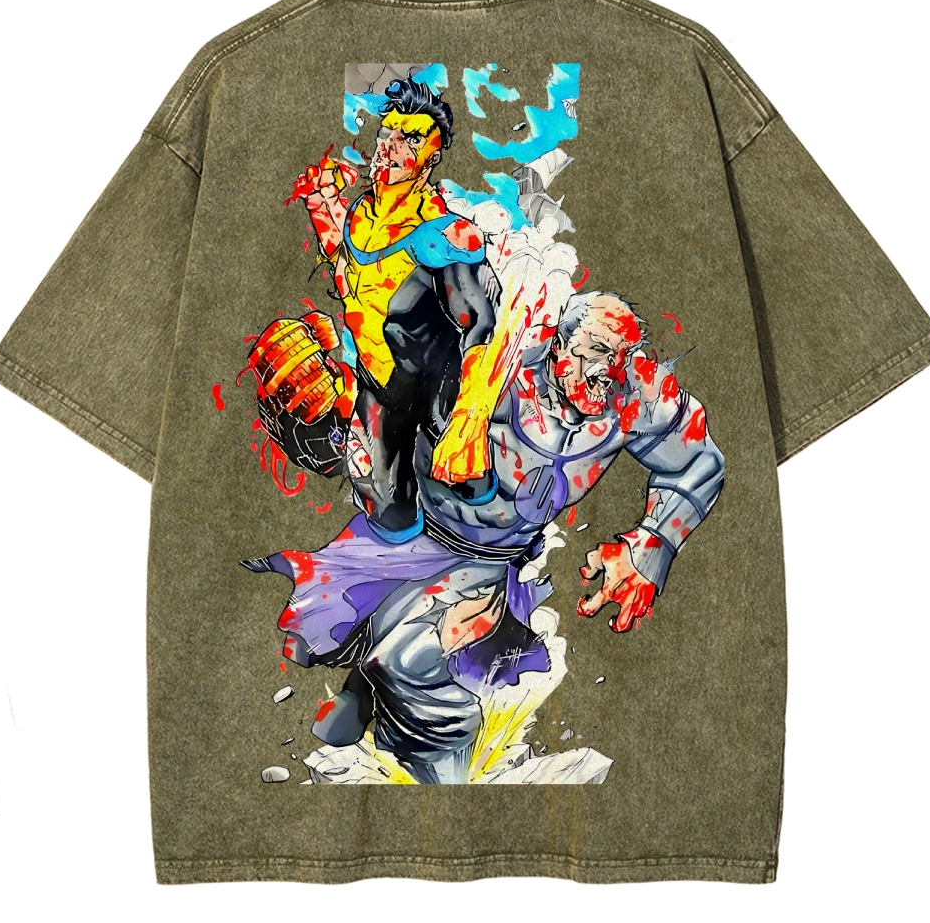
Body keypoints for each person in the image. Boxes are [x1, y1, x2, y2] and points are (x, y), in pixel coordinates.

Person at [242, 291, 725, 784]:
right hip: (414, 520)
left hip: (489, 557)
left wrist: (652, 544)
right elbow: (396, 339)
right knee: (333, 624)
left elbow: (699, 462)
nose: (604, 378)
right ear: (558, 345)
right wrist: (333, 359)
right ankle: (364, 690)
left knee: (412, 660)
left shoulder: (636, 394)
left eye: (618, 360)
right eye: (592, 356)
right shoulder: (504, 349)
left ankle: (439, 784)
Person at [283, 77, 511, 541]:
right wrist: (320, 204)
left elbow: (480, 322)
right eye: (388, 132)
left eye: (410, 138)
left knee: (472, 487)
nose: (391, 145)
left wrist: (469, 418)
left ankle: (475, 472)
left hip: (440, 383)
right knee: (389, 514)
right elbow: (352, 272)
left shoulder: (442, 234)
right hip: (380, 385)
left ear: (432, 155)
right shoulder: (358, 215)